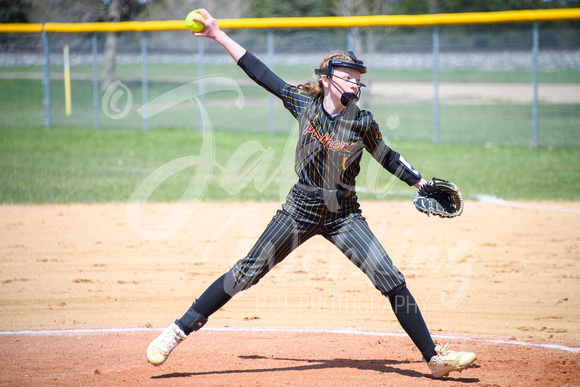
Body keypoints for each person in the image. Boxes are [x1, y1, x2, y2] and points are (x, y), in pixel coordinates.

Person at [147, 9, 476, 379]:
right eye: (347, 77)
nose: (354, 83)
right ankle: (176, 331)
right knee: (245, 272)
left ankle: (433, 358)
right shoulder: (303, 104)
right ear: (327, 79)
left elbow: (387, 157)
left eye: (357, 79)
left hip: (344, 214)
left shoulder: (362, 122)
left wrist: (418, 183)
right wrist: (218, 34)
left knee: (390, 278)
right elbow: (259, 73)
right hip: (299, 208)